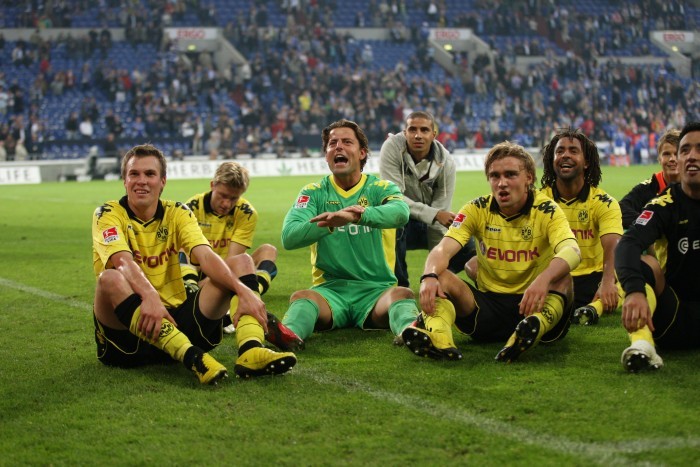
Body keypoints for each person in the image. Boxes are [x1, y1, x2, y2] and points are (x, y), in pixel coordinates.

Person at [92, 144, 296, 385]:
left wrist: (244, 291)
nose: (142, 181)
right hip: (128, 337)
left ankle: (250, 350)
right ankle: (192, 358)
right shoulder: (107, 213)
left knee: (242, 261)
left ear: (162, 181)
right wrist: (149, 295)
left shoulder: (178, 212)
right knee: (110, 278)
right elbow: (123, 262)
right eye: (134, 174)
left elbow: (206, 256)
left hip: (178, 320)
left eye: (150, 174)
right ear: (124, 180)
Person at [402, 141, 580, 362]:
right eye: (495, 176)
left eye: (511, 175)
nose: (502, 183)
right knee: (441, 276)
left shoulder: (547, 210)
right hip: (487, 311)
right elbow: (443, 249)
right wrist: (429, 276)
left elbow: (572, 250)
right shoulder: (476, 209)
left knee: (562, 276)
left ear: (529, 178)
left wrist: (543, 280)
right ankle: (439, 340)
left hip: (534, 303)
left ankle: (534, 327)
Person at [280, 119, 420, 346]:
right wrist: (329, 224)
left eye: (347, 142)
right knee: (302, 297)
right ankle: (288, 336)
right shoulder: (313, 193)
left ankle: (410, 332)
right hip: (330, 292)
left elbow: (401, 213)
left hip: (377, 291)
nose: (338, 147)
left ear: (362, 153)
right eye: (332, 143)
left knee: (401, 294)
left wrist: (358, 215)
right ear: (326, 155)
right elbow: (289, 237)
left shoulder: (381, 188)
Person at [182, 161, 303, 350]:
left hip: (228, 272)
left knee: (269, 251)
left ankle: (247, 298)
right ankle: (199, 293)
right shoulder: (190, 208)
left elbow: (233, 260)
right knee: (181, 251)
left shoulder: (247, 213)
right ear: (212, 185)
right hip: (196, 273)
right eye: (223, 196)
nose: (226, 204)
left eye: (233, 198)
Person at [616, 121, 700, 372]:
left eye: (699, 149)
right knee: (647, 263)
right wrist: (634, 290)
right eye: (685, 150)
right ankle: (643, 344)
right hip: (674, 318)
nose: (691, 156)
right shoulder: (664, 204)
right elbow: (628, 243)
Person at [379, 111, 475, 287]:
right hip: (403, 220)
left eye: (424, 130)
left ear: (433, 134)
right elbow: (393, 198)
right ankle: (400, 288)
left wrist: (432, 273)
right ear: (405, 132)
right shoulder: (391, 148)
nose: (418, 135)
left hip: (430, 223)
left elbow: (440, 218)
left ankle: (443, 279)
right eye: (412, 129)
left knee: (468, 243)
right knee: (392, 222)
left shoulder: (446, 162)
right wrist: (435, 214)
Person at [538, 128, 623, 325]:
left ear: (586, 162)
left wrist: (608, 281)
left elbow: (613, 245)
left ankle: (591, 306)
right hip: (554, 277)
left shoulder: (604, 202)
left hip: (592, 279)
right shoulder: (539, 201)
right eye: (559, 151)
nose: (565, 155)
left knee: (633, 267)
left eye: (573, 151)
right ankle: (590, 308)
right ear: (552, 160)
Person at [619, 129, 681, 229]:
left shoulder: (695, 186)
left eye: (677, 154)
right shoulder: (649, 187)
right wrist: (651, 224)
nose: (672, 159)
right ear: (659, 159)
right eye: (666, 154)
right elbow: (621, 210)